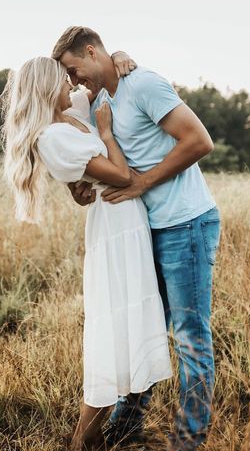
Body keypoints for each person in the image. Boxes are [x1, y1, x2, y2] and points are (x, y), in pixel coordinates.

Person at [52, 26, 221, 451]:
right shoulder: (97, 100)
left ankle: (189, 441)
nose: (74, 82)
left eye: (75, 70)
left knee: (190, 336)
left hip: (186, 223)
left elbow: (200, 141)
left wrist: (143, 182)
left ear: (91, 52)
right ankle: (127, 429)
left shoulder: (143, 83)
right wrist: (77, 186)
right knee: (143, 329)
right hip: (148, 230)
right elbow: (74, 139)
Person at [0, 55, 173, 451]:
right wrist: (107, 134)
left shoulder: (70, 113)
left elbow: (96, 74)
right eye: (63, 81)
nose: (71, 86)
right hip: (114, 226)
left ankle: (100, 430)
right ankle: (84, 437)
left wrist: (120, 55)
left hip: (125, 223)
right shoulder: (52, 136)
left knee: (126, 321)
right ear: (46, 88)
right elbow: (123, 176)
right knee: (111, 328)